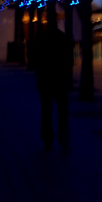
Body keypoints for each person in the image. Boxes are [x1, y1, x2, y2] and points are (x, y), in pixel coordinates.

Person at [32, 18, 72, 152]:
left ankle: (47, 139)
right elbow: (68, 60)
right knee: (62, 111)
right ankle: (64, 138)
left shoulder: (42, 39)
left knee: (46, 111)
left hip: (45, 79)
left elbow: (36, 59)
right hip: (60, 79)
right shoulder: (62, 38)